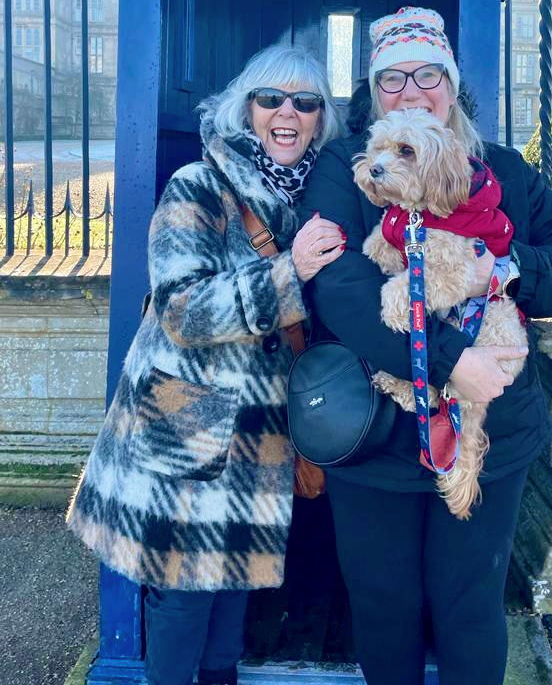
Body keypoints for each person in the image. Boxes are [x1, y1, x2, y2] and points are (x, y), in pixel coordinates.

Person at [300, 7, 552, 685]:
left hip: (489, 433)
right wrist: (449, 361)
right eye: (391, 79)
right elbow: (342, 290)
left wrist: (501, 264)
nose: (411, 90)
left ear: (450, 83)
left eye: (426, 73)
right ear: (375, 96)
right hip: (374, 436)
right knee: (383, 605)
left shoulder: (505, 173)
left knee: (468, 606)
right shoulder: (348, 174)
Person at [66, 45, 345, 685]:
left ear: (320, 118)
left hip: (262, 428)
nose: (286, 113)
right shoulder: (199, 184)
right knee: (184, 595)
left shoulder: (312, 198)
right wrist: (290, 269)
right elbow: (182, 309)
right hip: (191, 416)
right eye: (270, 98)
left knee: (235, 590)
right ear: (245, 109)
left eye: (305, 102)